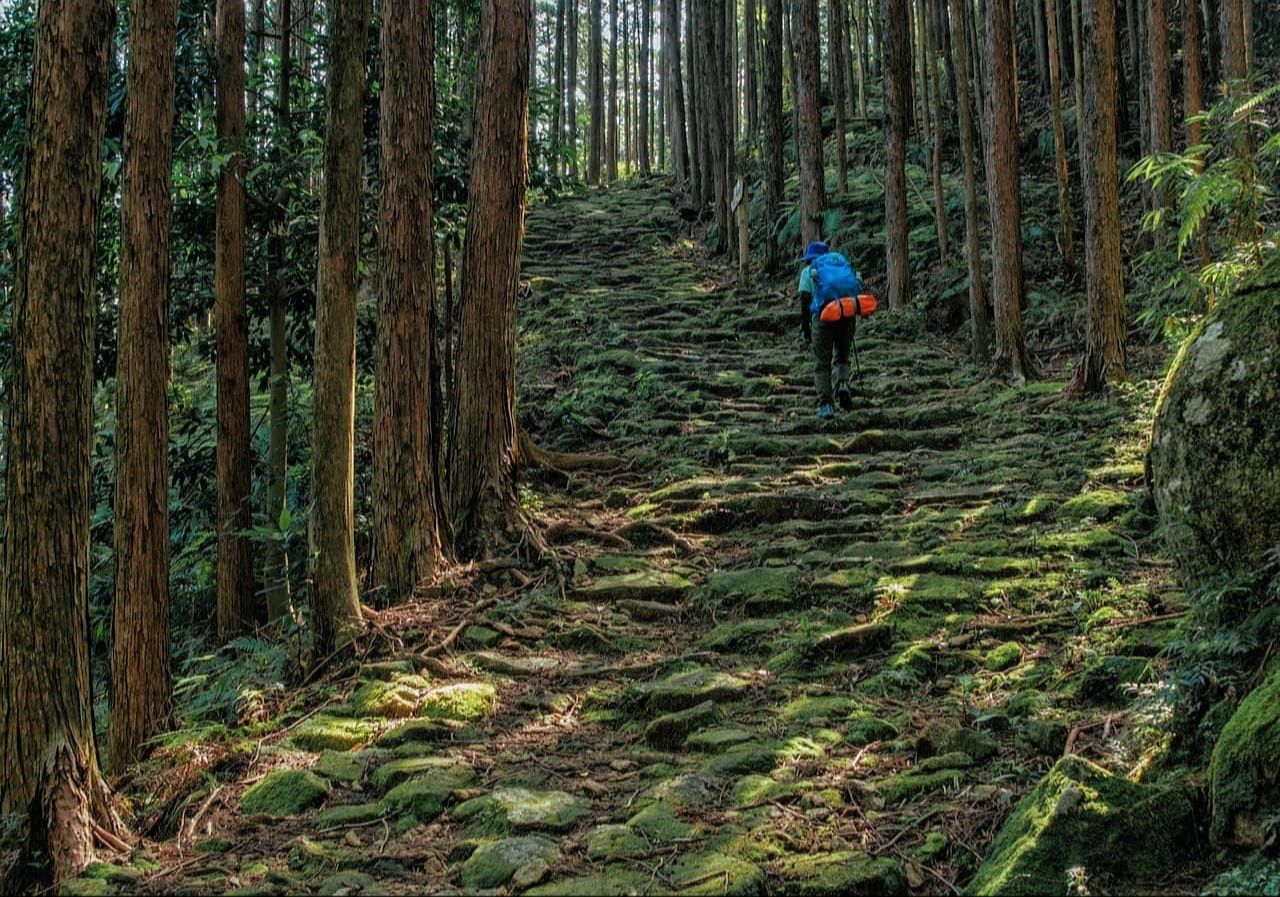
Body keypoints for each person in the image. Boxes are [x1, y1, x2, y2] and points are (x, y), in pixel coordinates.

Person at [797, 241, 858, 420]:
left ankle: (825, 405)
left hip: (823, 317)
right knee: (842, 356)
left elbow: (804, 302)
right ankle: (842, 384)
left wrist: (806, 330)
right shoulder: (839, 265)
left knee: (822, 363)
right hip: (847, 313)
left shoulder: (808, 272)